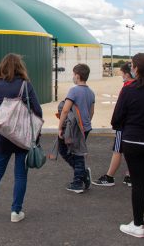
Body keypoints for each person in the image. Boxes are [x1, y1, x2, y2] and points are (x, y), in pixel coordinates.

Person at [0, 53, 42, 223]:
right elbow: (37, 110)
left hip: (4, 134)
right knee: (20, 175)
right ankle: (16, 212)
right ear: (20, 66)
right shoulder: (25, 85)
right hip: (22, 135)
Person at [111, 53, 144, 238]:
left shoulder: (129, 89)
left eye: (132, 65)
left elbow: (116, 119)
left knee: (138, 184)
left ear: (137, 68)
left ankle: (138, 224)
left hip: (133, 141)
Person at [58, 63, 95, 194]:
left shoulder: (74, 91)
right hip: (85, 127)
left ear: (77, 76)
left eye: (73, 74)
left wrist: (60, 127)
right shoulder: (91, 92)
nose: (73, 77)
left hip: (74, 127)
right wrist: (86, 124)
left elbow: (65, 110)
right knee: (75, 151)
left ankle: (78, 182)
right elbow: (91, 111)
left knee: (71, 152)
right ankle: (82, 174)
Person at [94, 62, 132, 187]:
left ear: (127, 74)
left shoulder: (127, 86)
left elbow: (121, 108)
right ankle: (130, 175)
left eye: (122, 74)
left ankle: (109, 176)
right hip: (133, 126)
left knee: (117, 150)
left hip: (124, 125)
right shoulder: (140, 86)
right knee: (129, 150)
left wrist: (115, 122)